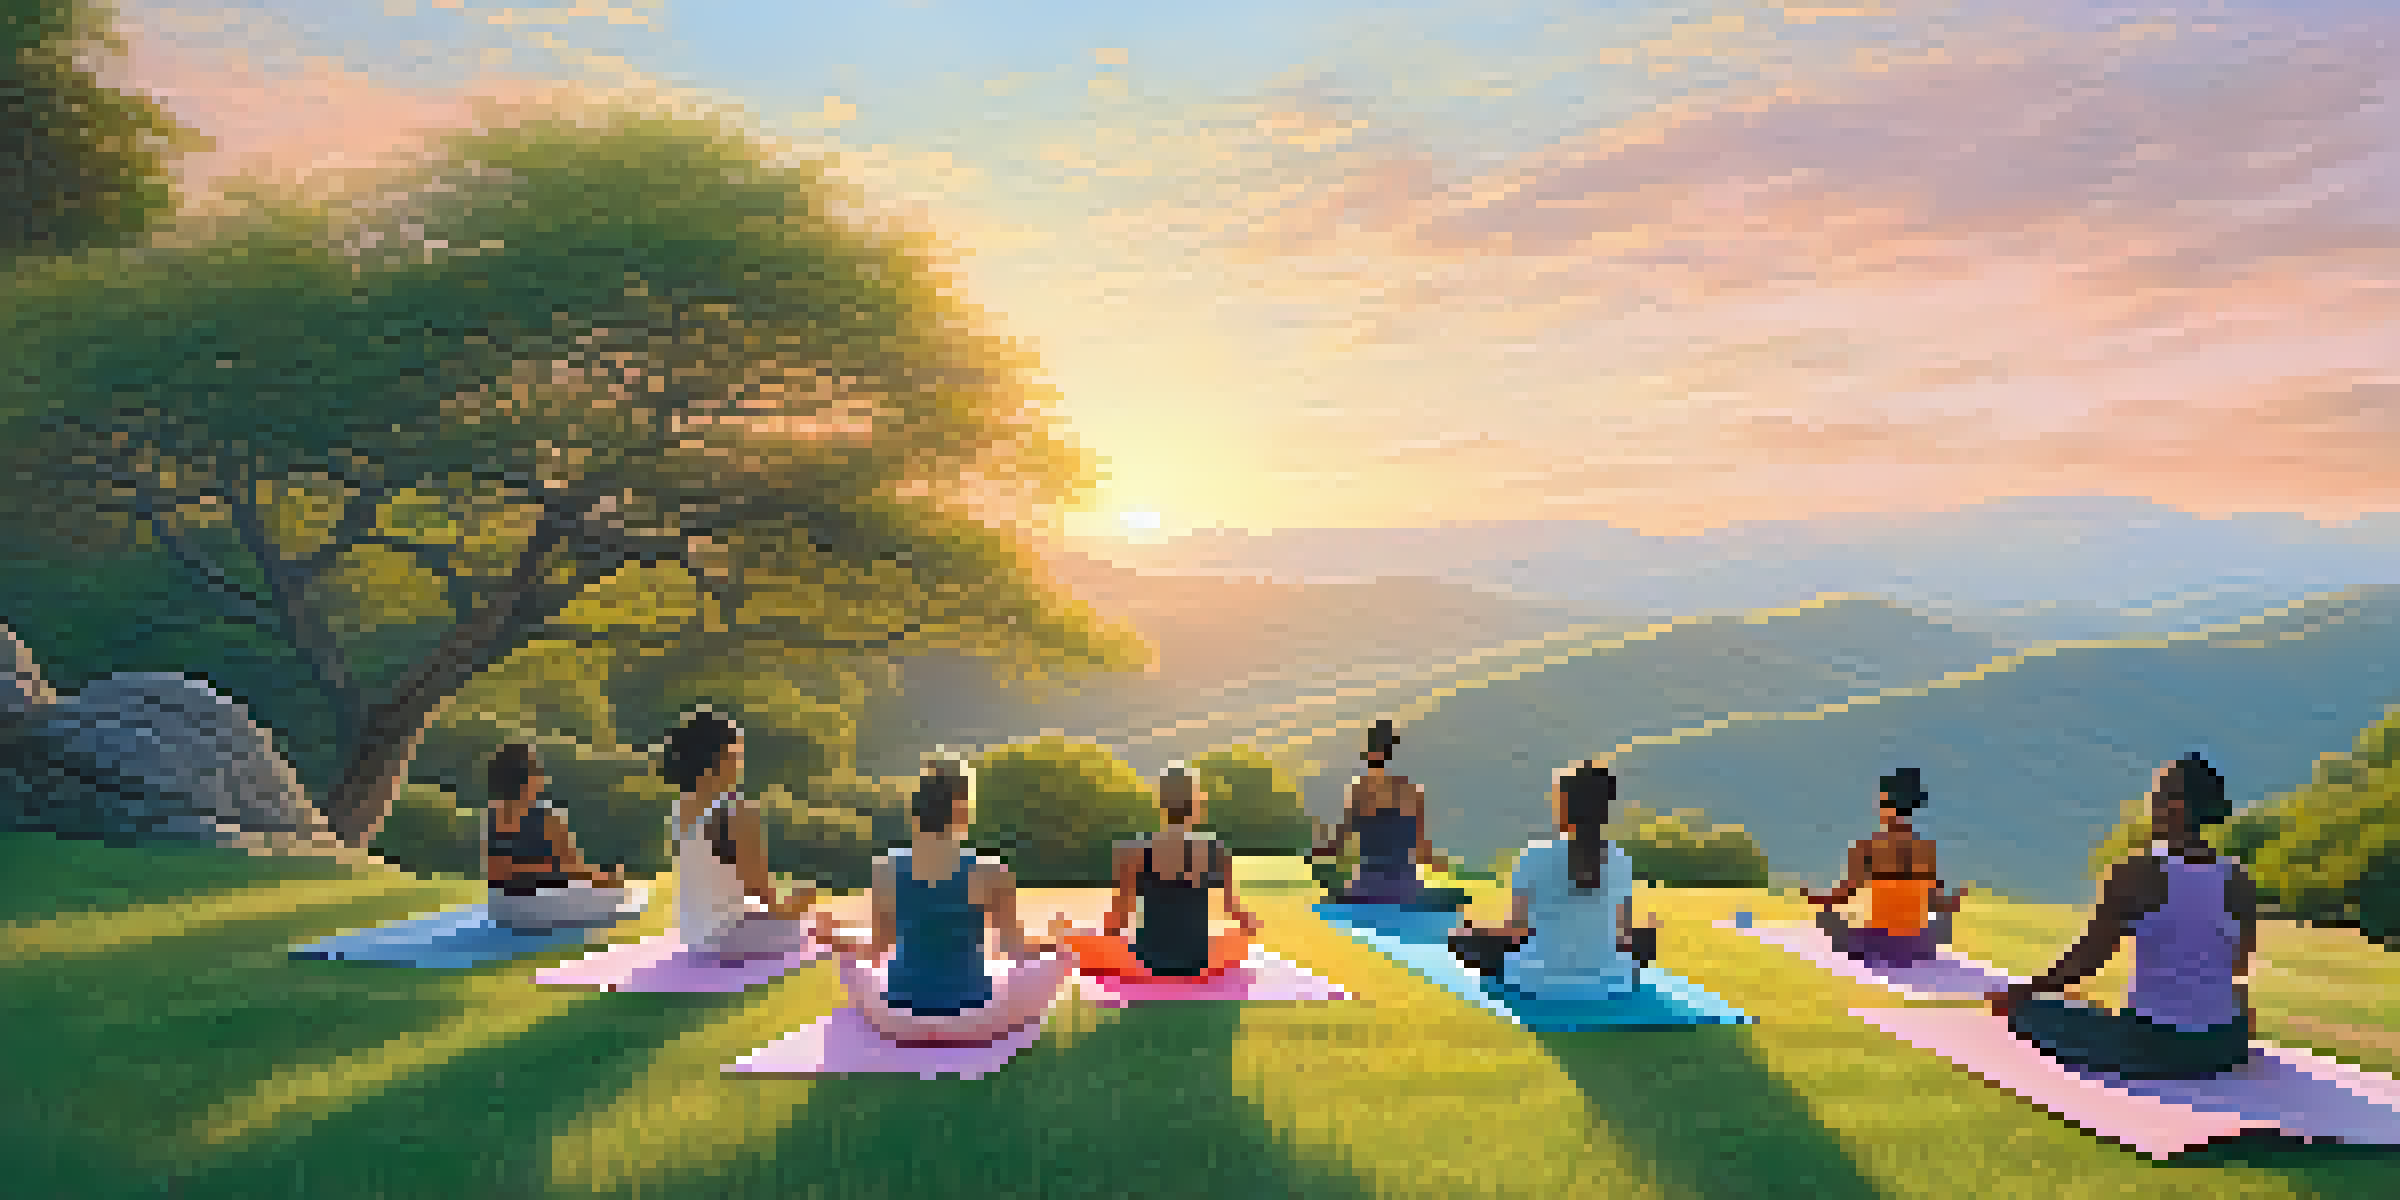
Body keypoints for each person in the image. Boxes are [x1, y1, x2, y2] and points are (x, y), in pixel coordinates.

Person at [1986, 753, 2257, 1080]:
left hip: (2152, 1046)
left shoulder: (2136, 871)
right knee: (2088, 1010)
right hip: (2223, 1046)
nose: (2149, 803)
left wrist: (2022, 992)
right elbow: (2239, 964)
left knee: (2033, 1013)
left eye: (2156, 795)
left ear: (2176, 807)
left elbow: (2086, 961)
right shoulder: (2238, 878)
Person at [814, 752, 1077, 1045]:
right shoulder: (991, 869)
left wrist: (837, 941)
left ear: (917, 810)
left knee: (853, 963)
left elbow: (877, 949)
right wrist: (1054, 940)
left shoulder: (885, 868)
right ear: (962, 812)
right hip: (972, 1010)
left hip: (901, 1010)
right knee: (1061, 958)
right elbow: (1013, 950)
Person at [1448, 762, 1661, 999]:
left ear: (1563, 805)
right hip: (1611, 982)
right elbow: (1623, 934)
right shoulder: (1620, 858)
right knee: (1643, 937)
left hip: (1538, 981)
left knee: (1463, 939)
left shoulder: (1535, 854)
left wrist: (1481, 933)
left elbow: (1517, 930)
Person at [1061, 763, 1264, 980]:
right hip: (1197, 960)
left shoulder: (1133, 851)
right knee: (1224, 939)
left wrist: (1102, 943)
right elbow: (1232, 910)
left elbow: (1119, 917)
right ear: (1196, 803)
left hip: (1150, 960)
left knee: (1079, 936)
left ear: (1161, 804)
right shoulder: (1216, 850)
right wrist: (1250, 926)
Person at [660, 710, 818, 960]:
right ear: (720, 757)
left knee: (789, 916)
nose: (741, 762)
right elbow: (761, 890)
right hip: (729, 941)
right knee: (810, 927)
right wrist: (798, 905)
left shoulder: (680, 806)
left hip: (693, 937)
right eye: (738, 753)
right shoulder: (737, 810)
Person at [1803, 767, 1967, 969]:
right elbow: (1937, 903)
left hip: (1875, 943)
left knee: (1827, 914)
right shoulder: (1926, 850)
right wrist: (1954, 901)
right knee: (1939, 920)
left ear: (1886, 805)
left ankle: (1867, 948)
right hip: (1916, 945)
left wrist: (1816, 899)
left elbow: (1842, 895)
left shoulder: (1867, 848)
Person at [484, 742, 645, 932]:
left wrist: (532, 869)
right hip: (535, 908)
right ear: (529, 778)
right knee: (626, 896)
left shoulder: (492, 815)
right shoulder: (548, 817)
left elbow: (495, 873)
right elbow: (574, 869)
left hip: (500, 910)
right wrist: (605, 879)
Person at [1310, 720, 1469, 910]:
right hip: (1406, 889)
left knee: (1330, 894)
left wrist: (1318, 855)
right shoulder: (1414, 794)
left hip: (1368, 889)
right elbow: (1423, 853)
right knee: (1455, 896)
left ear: (1370, 754)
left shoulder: (1360, 791)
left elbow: (1338, 844)